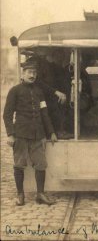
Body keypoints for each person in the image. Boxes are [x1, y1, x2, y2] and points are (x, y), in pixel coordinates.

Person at [3, 60, 58, 206]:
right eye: (29, 72)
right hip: (20, 134)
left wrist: (51, 132)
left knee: (41, 164)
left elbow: (44, 113)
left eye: (34, 73)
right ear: (23, 73)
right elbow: (7, 114)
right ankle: (20, 195)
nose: (32, 75)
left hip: (38, 135)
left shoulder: (39, 92)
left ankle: (40, 194)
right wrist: (10, 134)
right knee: (19, 164)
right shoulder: (15, 91)